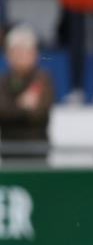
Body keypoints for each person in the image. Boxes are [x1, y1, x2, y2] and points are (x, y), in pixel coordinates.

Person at [0, 26, 55, 163]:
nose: (21, 56)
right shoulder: (2, 82)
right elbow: (3, 112)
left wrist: (13, 107)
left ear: (34, 54)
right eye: (16, 51)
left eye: (25, 51)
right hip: (8, 153)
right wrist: (22, 105)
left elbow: (39, 113)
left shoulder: (43, 79)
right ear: (7, 55)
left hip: (38, 152)